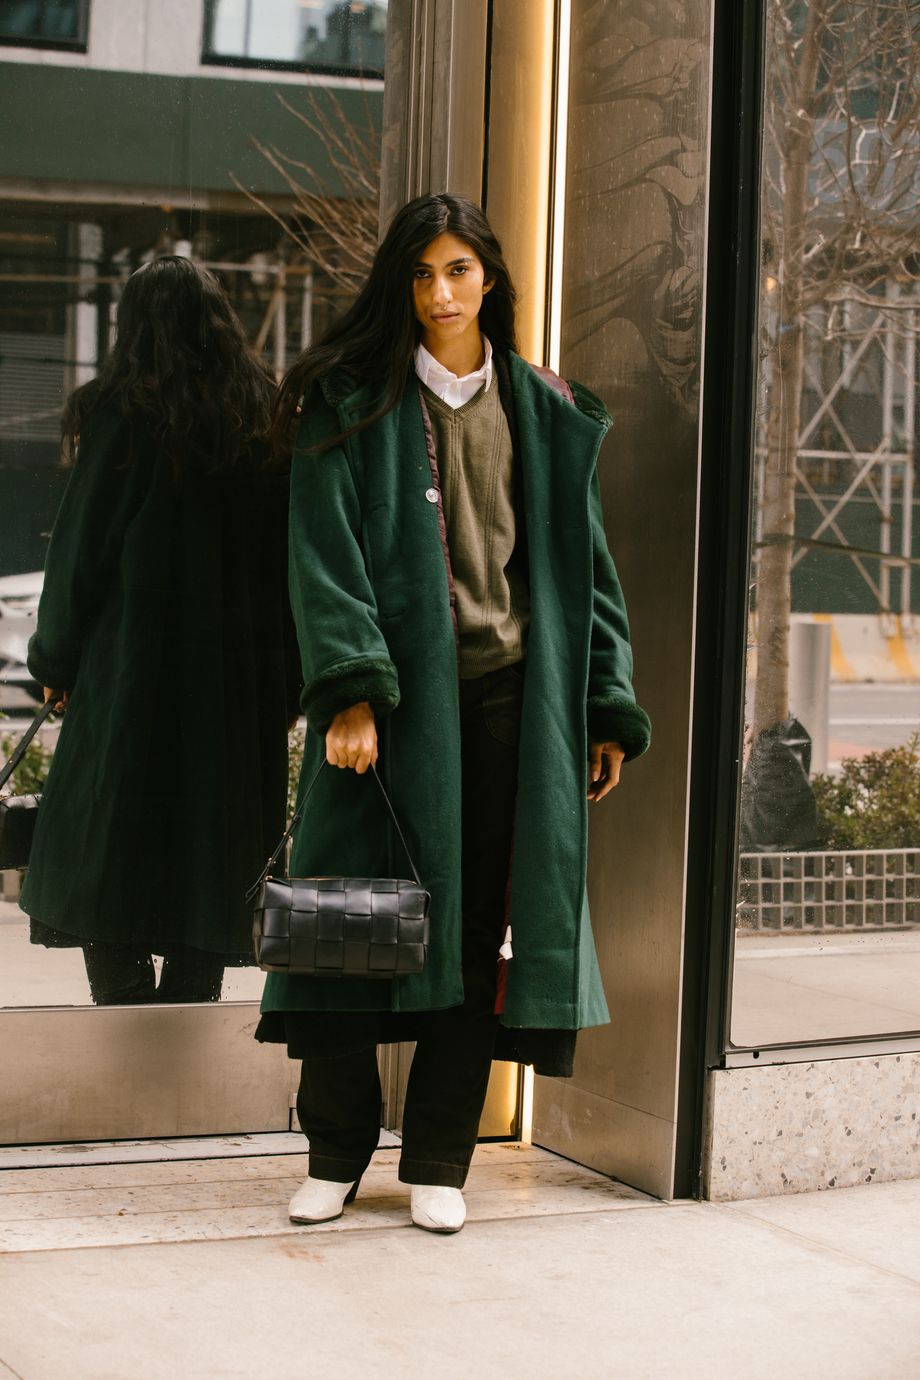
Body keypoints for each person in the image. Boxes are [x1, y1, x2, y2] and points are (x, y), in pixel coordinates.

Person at [255, 193, 651, 1233]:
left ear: (489, 280)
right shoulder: (351, 402)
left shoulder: (544, 409)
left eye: (458, 272)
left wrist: (604, 704)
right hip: (387, 713)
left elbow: (584, 575)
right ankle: (335, 1154)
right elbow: (320, 559)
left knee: (474, 944)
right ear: (401, 284)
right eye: (422, 274)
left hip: (508, 708)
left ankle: (438, 1157)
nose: (439, 293)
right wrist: (346, 691)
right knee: (343, 928)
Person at [22, 256, 299, 1005]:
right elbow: (297, 564)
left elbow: (80, 552)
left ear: (131, 328)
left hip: (132, 686)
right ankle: (183, 1035)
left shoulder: (121, 415)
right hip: (235, 697)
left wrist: (55, 659)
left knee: (108, 865)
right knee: (209, 878)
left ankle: (125, 1030)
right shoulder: (266, 416)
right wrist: (291, 687)